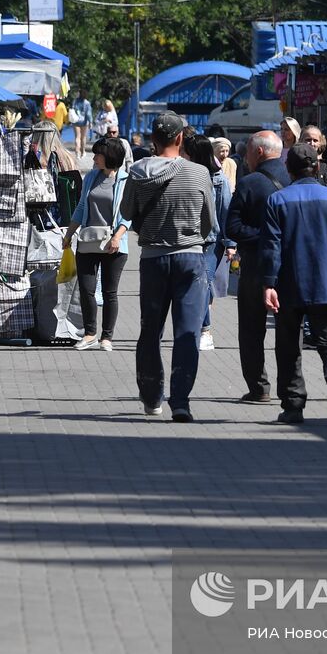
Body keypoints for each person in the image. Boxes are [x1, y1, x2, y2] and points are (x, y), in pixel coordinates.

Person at [261, 143, 327, 425]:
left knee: (288, 346)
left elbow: (271, 247)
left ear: (288, 169)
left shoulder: (277, 200)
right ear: (317, 167)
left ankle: (293, 406)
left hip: (290, 283)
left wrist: (268, 283)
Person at [120, 111, 214, 422]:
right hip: (190, 256)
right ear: (179, 139)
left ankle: (151, 398)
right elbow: (209, 222)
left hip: (152, 257)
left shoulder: (137, 171)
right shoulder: (199, 173)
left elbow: (127, 211)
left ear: (152, 139)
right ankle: (181, 401)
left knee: (150, 330)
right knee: (187, 332)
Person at [225, 130, 290, 403]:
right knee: (289, 328)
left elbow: (233, 226)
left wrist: (262, 236)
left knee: (251, 329)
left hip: (255, 265)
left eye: (248, 153)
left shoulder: (249, 183)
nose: (246, 158)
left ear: (259, 152)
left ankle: (259, 387)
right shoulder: (294, 179)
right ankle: (290, 387)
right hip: (289, 266)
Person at [63, 136, 131, 352]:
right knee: (86, 289)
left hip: (114, 243)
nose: (94, 158)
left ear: (109, 157)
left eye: (98, 154)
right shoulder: (91, 177)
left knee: (110, 292)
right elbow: (82, 206)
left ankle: (107, 337)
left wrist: (118, 236)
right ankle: (90, 334)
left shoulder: (125, 180)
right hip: (88, 240)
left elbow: (128, 215)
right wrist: (69, 233)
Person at [183, 134, 233, 351]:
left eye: (186, 151)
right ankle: (195, 327)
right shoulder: (183, 174)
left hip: (211, 241)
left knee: (203, 283)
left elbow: (226, 212)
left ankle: (206, 330)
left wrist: (230, 243)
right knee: (200, 284)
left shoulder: (219, 179)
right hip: (187, 238)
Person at [70, 90, 93, 157]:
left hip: (76, 121)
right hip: (84, 122)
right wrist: (90, 121)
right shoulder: (87, 103)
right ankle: (83, 152)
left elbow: (72, 110)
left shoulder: (75, 101)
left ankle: (77, 152)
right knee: (83, 137)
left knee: (77, 137)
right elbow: (88, 114)